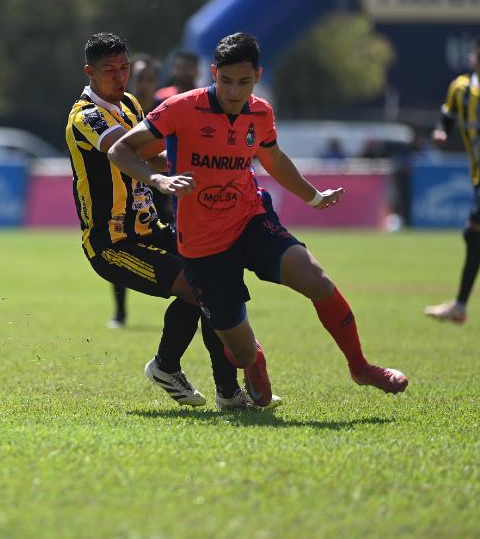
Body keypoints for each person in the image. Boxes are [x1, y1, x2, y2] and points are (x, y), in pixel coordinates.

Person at [108, 32, 408, 398]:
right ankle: (255, 362)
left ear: (258, 76)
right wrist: (159, 178)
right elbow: (121, 150)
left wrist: (313, 197)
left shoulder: (260, 112)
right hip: (203, 246)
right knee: (243, 351)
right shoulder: (180, 108)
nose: (235, 92)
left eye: (244, 83)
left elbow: (274, 160)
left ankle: (361, 368)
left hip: (250, 219)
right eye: (227, 81)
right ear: (214, 73)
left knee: (317, 281)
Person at [68, 32, 276, 410]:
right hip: (112, 243)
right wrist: (159, 179)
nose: (120, 77)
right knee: (201, 290)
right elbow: (122, 153)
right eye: (109, 70)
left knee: (216, 283)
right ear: (90, 73)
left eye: (124, 68)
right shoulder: (86, 117)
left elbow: (154, 155)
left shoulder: (129, 103)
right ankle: (200, 380)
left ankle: (215, 387)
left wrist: (209, 167)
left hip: (150, 230)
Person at [424, 36, 480, 324]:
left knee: (474, 232)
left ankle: (459, 306)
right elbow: (447, 117)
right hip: (477, 177)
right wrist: (441, 132)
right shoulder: (462, 89)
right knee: (474, 236)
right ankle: (459, 306)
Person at [107, 55, 166, 329]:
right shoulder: (120, 109)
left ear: (156, 82)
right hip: (127, 190)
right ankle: (120, 313)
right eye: (139, 78)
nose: (143, 84)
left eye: (148, 79)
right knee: (121, 249)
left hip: (161, 189)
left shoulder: (164, 111)